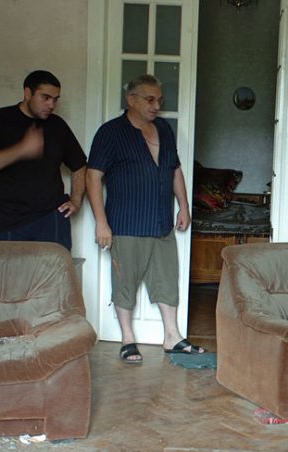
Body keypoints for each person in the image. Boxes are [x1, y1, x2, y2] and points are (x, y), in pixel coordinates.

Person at [86, 74, 204, 364]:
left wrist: (184, 205)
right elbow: (93, 176)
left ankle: (172, 337)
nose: (156, 106)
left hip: (161, 221)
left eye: (159, 100)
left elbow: (174, 167)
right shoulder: (110, 132)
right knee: (125, 282)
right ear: (131, 99)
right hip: (126, 222)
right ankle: (127, 340)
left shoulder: (163, 128)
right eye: (150, 99)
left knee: (167, 280)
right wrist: (101, 222)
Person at [0, 70, 86, 251]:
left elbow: (79, 165)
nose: (51, 104)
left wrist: (76, 200)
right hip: (2, 219)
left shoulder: (57, 126)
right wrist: (21, 150)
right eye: (45, 97)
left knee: (53, 278)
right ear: (28, 93)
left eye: (55, 99)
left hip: (50, 218)